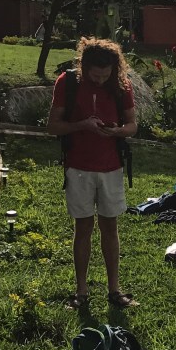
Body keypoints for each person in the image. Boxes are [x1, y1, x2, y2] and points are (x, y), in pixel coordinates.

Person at [46, 38, 137, 311]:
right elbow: (53, 126)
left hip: (111, 167)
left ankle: (114, 289)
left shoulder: (121, 84)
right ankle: (81, 291)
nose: (100, 81)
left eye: (105, 75)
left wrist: (117, 131)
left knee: (110, 227)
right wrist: (82, 125)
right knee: (83, 228)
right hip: (78, 167)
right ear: (83, 67)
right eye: (95, 76)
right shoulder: (68, 82)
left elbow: (132, 126)